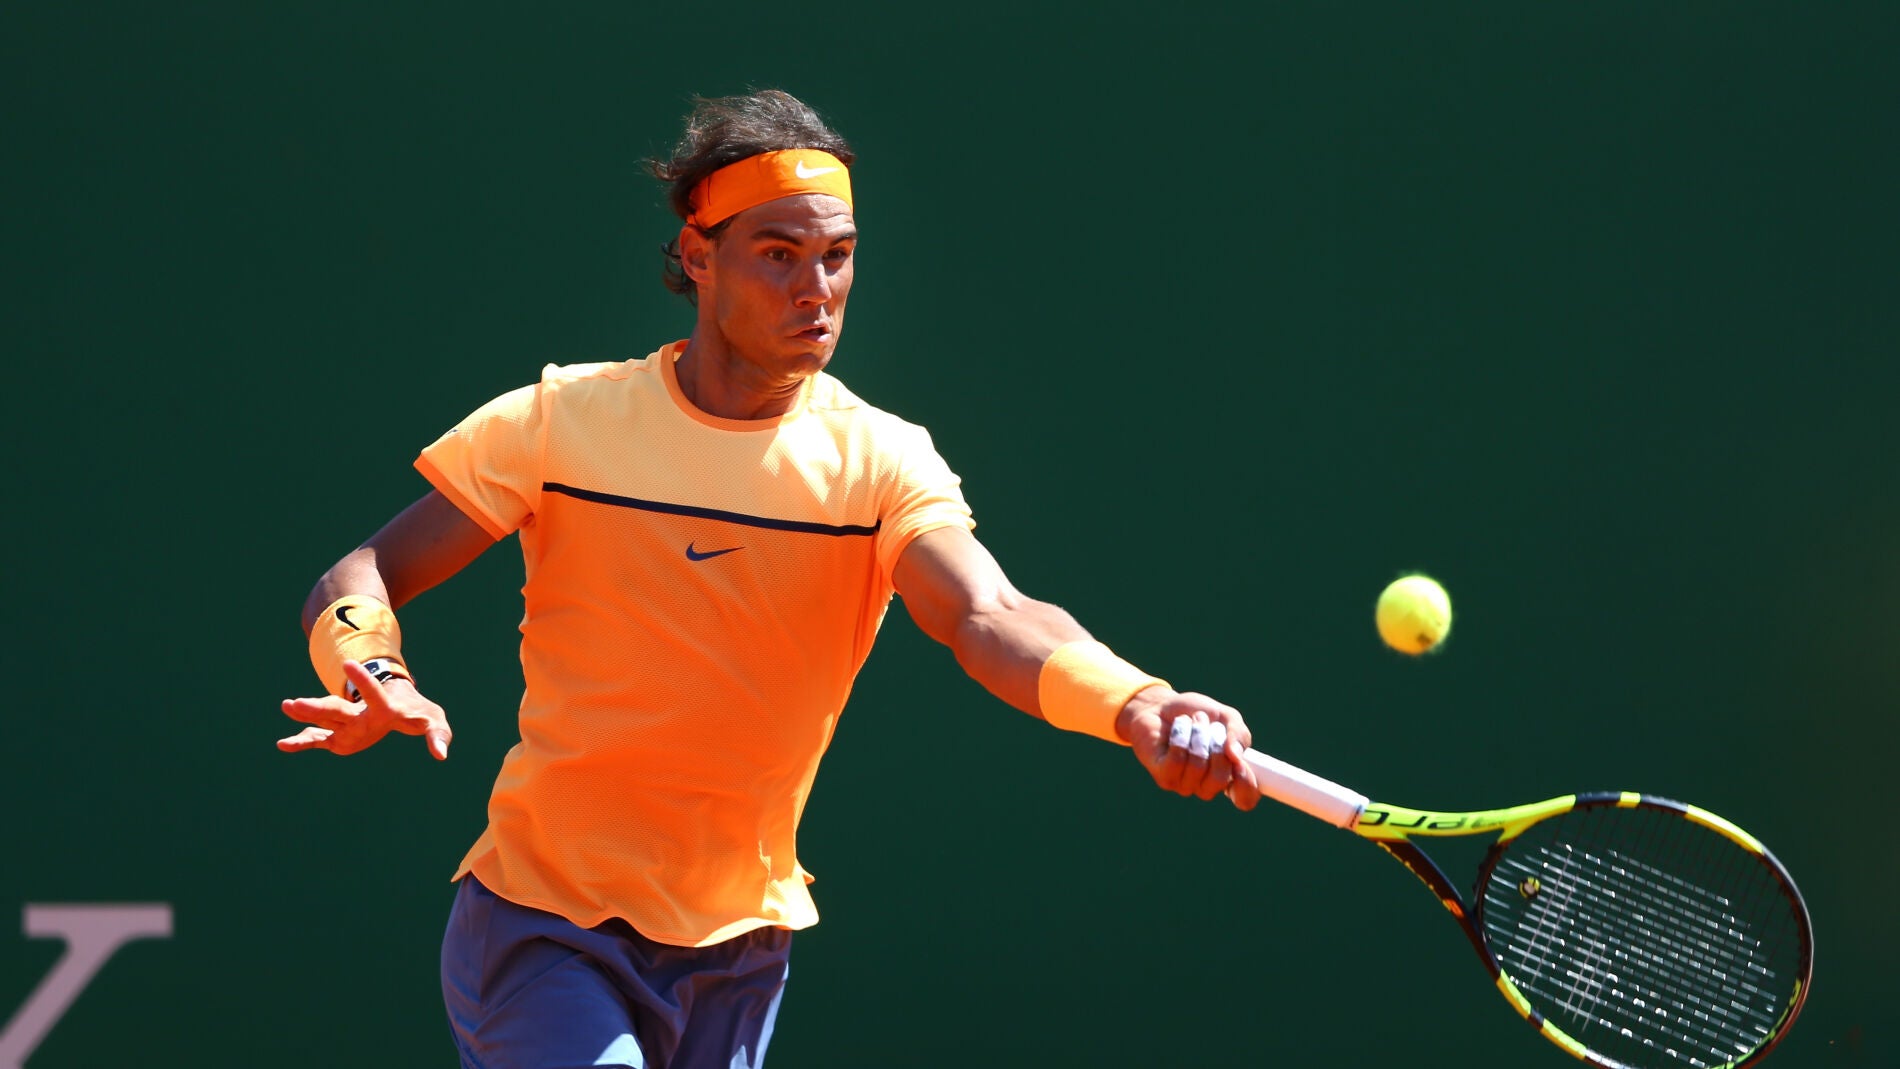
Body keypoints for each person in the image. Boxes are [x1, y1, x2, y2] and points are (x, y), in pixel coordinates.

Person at [278, 88, 1263, 1069]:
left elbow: (986, 612)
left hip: (740, 947)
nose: (816, 289)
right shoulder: (560, 424)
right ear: (699, 257)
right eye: (779, 254)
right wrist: (375, 668)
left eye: (836, 255)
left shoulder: (882, 462)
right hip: (543, 925)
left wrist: (1136, 702)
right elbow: (357, 574)